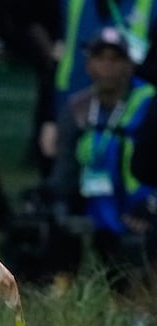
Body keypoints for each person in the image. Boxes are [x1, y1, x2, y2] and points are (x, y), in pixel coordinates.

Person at [50, 26, 157, 279]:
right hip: (93, 204)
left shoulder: (150, 104)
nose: (108, 66)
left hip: (140, 206)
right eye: (100, 58)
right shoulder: (77, 107)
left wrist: (149, 205)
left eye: (116, 59)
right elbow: (64, 168)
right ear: (89, 65)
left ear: (130, 65)